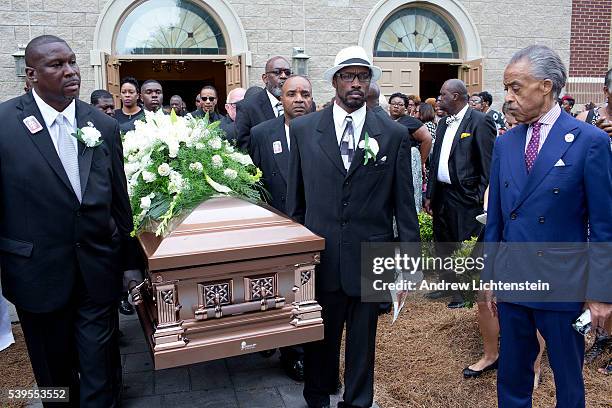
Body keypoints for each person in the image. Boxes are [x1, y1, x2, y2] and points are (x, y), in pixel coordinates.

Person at [0, 35, 141, 407]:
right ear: (30, 74)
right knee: (54, 380)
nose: (70, 71)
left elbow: (119, 199)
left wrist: (129, 262)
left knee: (100, 370)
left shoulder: (102, 125)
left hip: (96, 271)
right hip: (37, 275)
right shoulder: (4, 124)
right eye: (56, 65)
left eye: (73, 62)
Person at [287, 46, 419, 408]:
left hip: (370, 258)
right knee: (319, 343)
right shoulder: (302, 129)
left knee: (363, 346)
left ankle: (358, 402)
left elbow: (404, 207)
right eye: (349, 76)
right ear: (335, 81)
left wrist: (409, 266)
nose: (356, 83)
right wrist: (296, 259)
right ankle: (316, 399)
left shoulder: (391, 134)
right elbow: (295, 205)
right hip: (321, 259)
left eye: (363, 76)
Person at [484, 45, 612, 408]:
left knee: (568, 379)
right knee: (512, 375)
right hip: (514, 281)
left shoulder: (589, 141)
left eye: (515, 88)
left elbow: (604, 225)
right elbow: (496, 218)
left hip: (562, 285)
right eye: (506, 87)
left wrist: (601, 292)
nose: (507, 97)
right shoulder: (506, 143)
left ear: (545, 86)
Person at [249, 76, 313, 381]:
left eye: (305, 94)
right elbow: (255, 183)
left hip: (312, 229)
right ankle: (285, 348)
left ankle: (301, 354)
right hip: (275, 229)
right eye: (292, 94)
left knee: (307, 294)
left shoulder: (322, 131)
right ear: (281, 99)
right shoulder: (262, 133)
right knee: (281, 293)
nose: (299, 99)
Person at [424, 79, 496, 309]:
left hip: (466, 197)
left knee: (463, 244)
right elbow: (436, 162)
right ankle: (447, 284)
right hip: (442, 194)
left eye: (443, 94)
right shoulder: (444, 122)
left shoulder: (480, 121)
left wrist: (479, 197)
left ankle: (463, 292)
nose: (439, 97)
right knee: (443, 241)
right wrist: (430, 194)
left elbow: (488, 165)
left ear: (456, 96)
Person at [236, 56, 291, 150]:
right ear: (265, 78)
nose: (283, 76)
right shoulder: (248, 107)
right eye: (277, 72)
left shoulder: (300, 105)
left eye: (287, 73)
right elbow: (244, 145)